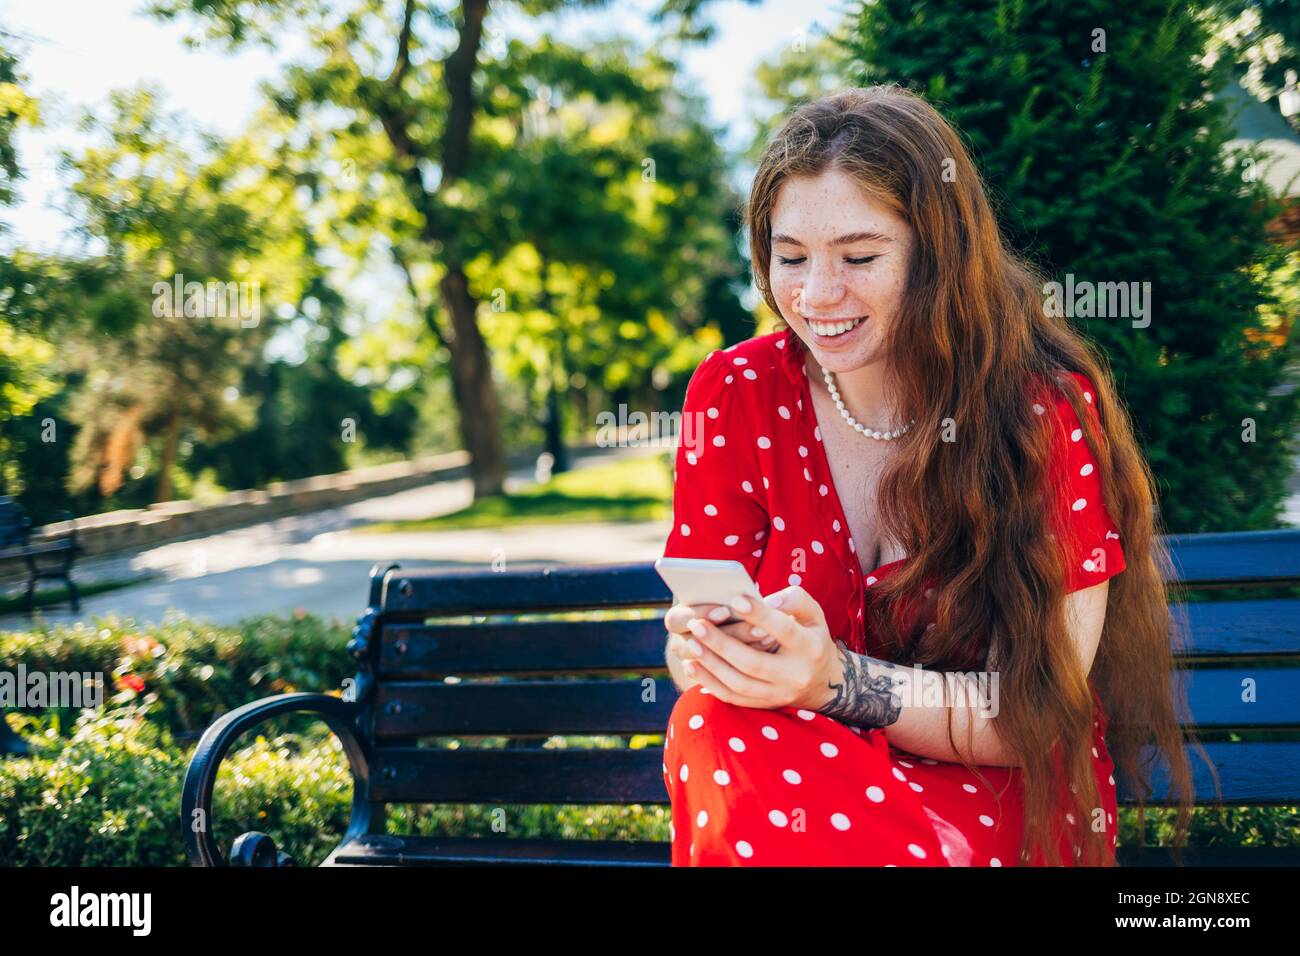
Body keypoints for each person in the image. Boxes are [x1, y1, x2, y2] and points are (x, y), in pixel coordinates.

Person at [658, 85, 1196, 867]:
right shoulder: (735, 392)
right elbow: (691, 655)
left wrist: (835, 680)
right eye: (791, 255)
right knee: (710, 722)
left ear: (937, 253)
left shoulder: (1039, 410)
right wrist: (712, 652)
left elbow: (1036, 716)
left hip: (994, 786)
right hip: (793, 773)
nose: (816, 295)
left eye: (860, 256)